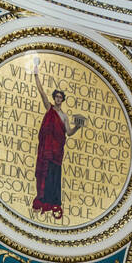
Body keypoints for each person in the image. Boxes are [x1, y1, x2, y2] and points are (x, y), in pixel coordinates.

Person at [31, 57, 86, 219]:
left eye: (61, 98)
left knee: (55, 177)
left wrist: (78, 126)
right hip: (48, 149)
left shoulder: (64, 116)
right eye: (57, 97)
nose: (58, 99)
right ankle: (43, 200)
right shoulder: (50, 108)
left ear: (63, 99)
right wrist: (35, 74)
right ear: (54, 98)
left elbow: (68, 133)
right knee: (46, 174)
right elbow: (41, 93)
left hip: (57, 152)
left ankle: (53, 201)